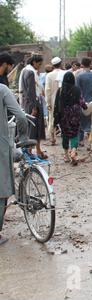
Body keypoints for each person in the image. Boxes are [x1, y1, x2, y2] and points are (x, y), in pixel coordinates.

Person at [0, 84, 29, 245]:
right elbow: (21, 116)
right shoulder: (2, 89)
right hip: (1, 146)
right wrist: (23, 137)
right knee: (2, 190)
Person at [53, 72, 85, 166]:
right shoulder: (77, 89)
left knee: (65, 134)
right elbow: (81, 102)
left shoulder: (60, 90)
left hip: (63, 115)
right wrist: (85, 107)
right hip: (75, 115)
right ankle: (74, 151)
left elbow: (56, 104)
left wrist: (56, 118)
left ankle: (66, 155)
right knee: (74, 133)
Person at [19, 54, 47, 159]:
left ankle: (37, 150)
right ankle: (31, 151)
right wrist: (34, 107)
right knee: (35, 128)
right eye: (39, 64)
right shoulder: (30, 73)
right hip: (33, 103)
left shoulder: (25, 71)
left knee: (34, 128)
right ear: (34, 62)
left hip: (28, 103)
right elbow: (31, 91)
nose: (39, 66)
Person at [76, 57, 92, 147]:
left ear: (82, 65)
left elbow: (77, 91)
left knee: (81, 122)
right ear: (90, 64)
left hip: (83, 102)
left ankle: (81, 140)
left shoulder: (79, 76)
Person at [45, 57, 64, 145]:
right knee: (64, 118)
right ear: (61, 64)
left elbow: (47, 90)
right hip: (64, 100)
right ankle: (66, 138)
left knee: (52, 118)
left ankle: (53, 138)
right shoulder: (66, 73)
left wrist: (48, 102)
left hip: (53, 100)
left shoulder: (49, 75)